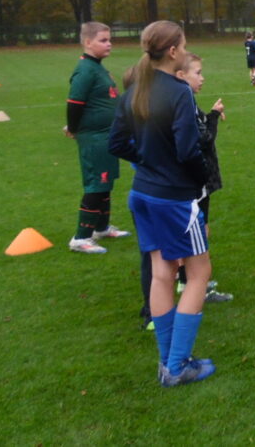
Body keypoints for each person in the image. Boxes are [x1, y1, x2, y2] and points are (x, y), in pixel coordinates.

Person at [109, 21, 216, 387]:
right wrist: (201, 179)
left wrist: (149, 161)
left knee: (162, 274)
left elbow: (118, 144)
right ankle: (177, 364)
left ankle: (168, 363)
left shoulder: (136, 88)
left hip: (143, 195)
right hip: (174, 198)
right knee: (199, 273)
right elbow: (188, 150)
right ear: (173, 52)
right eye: (184, 45)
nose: (186, 51)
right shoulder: (178, 92)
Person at [64, 21, 130, 254]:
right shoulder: (85, 70)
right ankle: (81, 237)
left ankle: (101, 228)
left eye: (109, 39)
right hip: (94, 138)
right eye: (103, 40)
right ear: (88, 42)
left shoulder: (98, 68)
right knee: (96, 184)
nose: (109, 43)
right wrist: (73, 128)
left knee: (106, 182)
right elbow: (74, 103)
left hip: (107, 136)